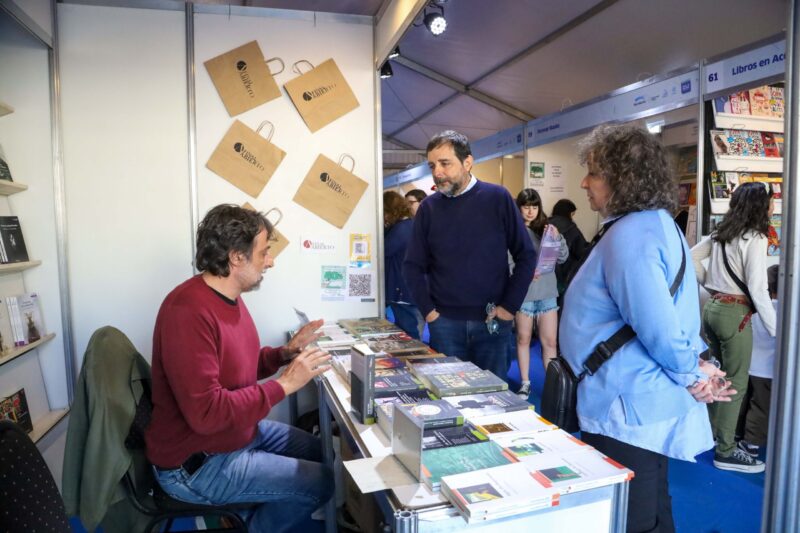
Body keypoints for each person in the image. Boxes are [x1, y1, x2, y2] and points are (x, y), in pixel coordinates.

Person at [560, 124, 733, 533]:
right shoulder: (654, 224)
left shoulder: (632, 234)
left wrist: (692, 374)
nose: (584, 183)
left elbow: (656, 326)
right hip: (634, 398)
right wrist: (696, 368)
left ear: (623, 178)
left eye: (594, 173)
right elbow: (670, 315)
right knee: (650, 506)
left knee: (632, 516)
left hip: (625, 405)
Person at [145, 204, 334, 533]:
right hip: (196, 465)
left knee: (326, 451)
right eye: (264, 253)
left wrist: (284, 354)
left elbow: (237, 367)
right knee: (323, 482)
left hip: (236, 435)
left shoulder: (229, 296)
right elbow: (206, 413)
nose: (270, 261)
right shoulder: (187, 311)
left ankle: (238, 516)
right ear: (236, 257)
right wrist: (284, 385)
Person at [403, 130, 536, 380]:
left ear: (467, 162)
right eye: (432, 165)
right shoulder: (429, 208)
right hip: (444, 325)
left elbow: (526, 256)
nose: (437, 172)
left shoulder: (498, 198)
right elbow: (412, 266)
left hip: (492, 323)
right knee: (448, 397)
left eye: (445, 163)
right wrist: (430, 313)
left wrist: (509, 307)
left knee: (492, 395)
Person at [691, 181, 776, 473]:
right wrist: (777, 331)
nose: (773, 206)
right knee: (735, 384)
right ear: (761, 205)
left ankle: (712, 435)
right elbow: (758, 288)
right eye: (770, 201)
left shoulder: (721, 233)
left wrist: (711, 284)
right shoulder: (755, 238)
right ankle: (725, 451)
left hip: (712, 309)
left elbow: (691, 256)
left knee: (717, 376)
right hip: (734, 314)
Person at [513, 189, 568, 399]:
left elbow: (562, 257)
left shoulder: (547, 229)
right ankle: (525, 382)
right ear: (519, 207)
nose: (530, 211)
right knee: (523, 338)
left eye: (534, 207)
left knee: (550, 342)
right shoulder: (513, 230)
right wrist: (523, 273)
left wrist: (557, 238)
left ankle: (552, 386)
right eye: (526, 206)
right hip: (524, 293)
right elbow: (506, 261)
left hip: (547, 292)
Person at [736, 264, 779, 458]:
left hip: (748, 363)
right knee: (761, 408)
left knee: (742, 403)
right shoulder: (786, 311)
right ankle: (751, 443)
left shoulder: (755, 308)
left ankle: (735, 434)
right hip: (768, 370)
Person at [384, 190, 424, 339]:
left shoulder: (401, 229)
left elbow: (384, 251)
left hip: (402, 291)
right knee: (412, 331)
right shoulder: (411, 225)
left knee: (408, 334)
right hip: (411, 289)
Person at [547, 198, 589, 296]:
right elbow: (581, 252)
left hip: (546, 275)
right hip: (565, 275)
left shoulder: (545, 224)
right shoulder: (571, 228)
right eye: (572, 214)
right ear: (568, 213)